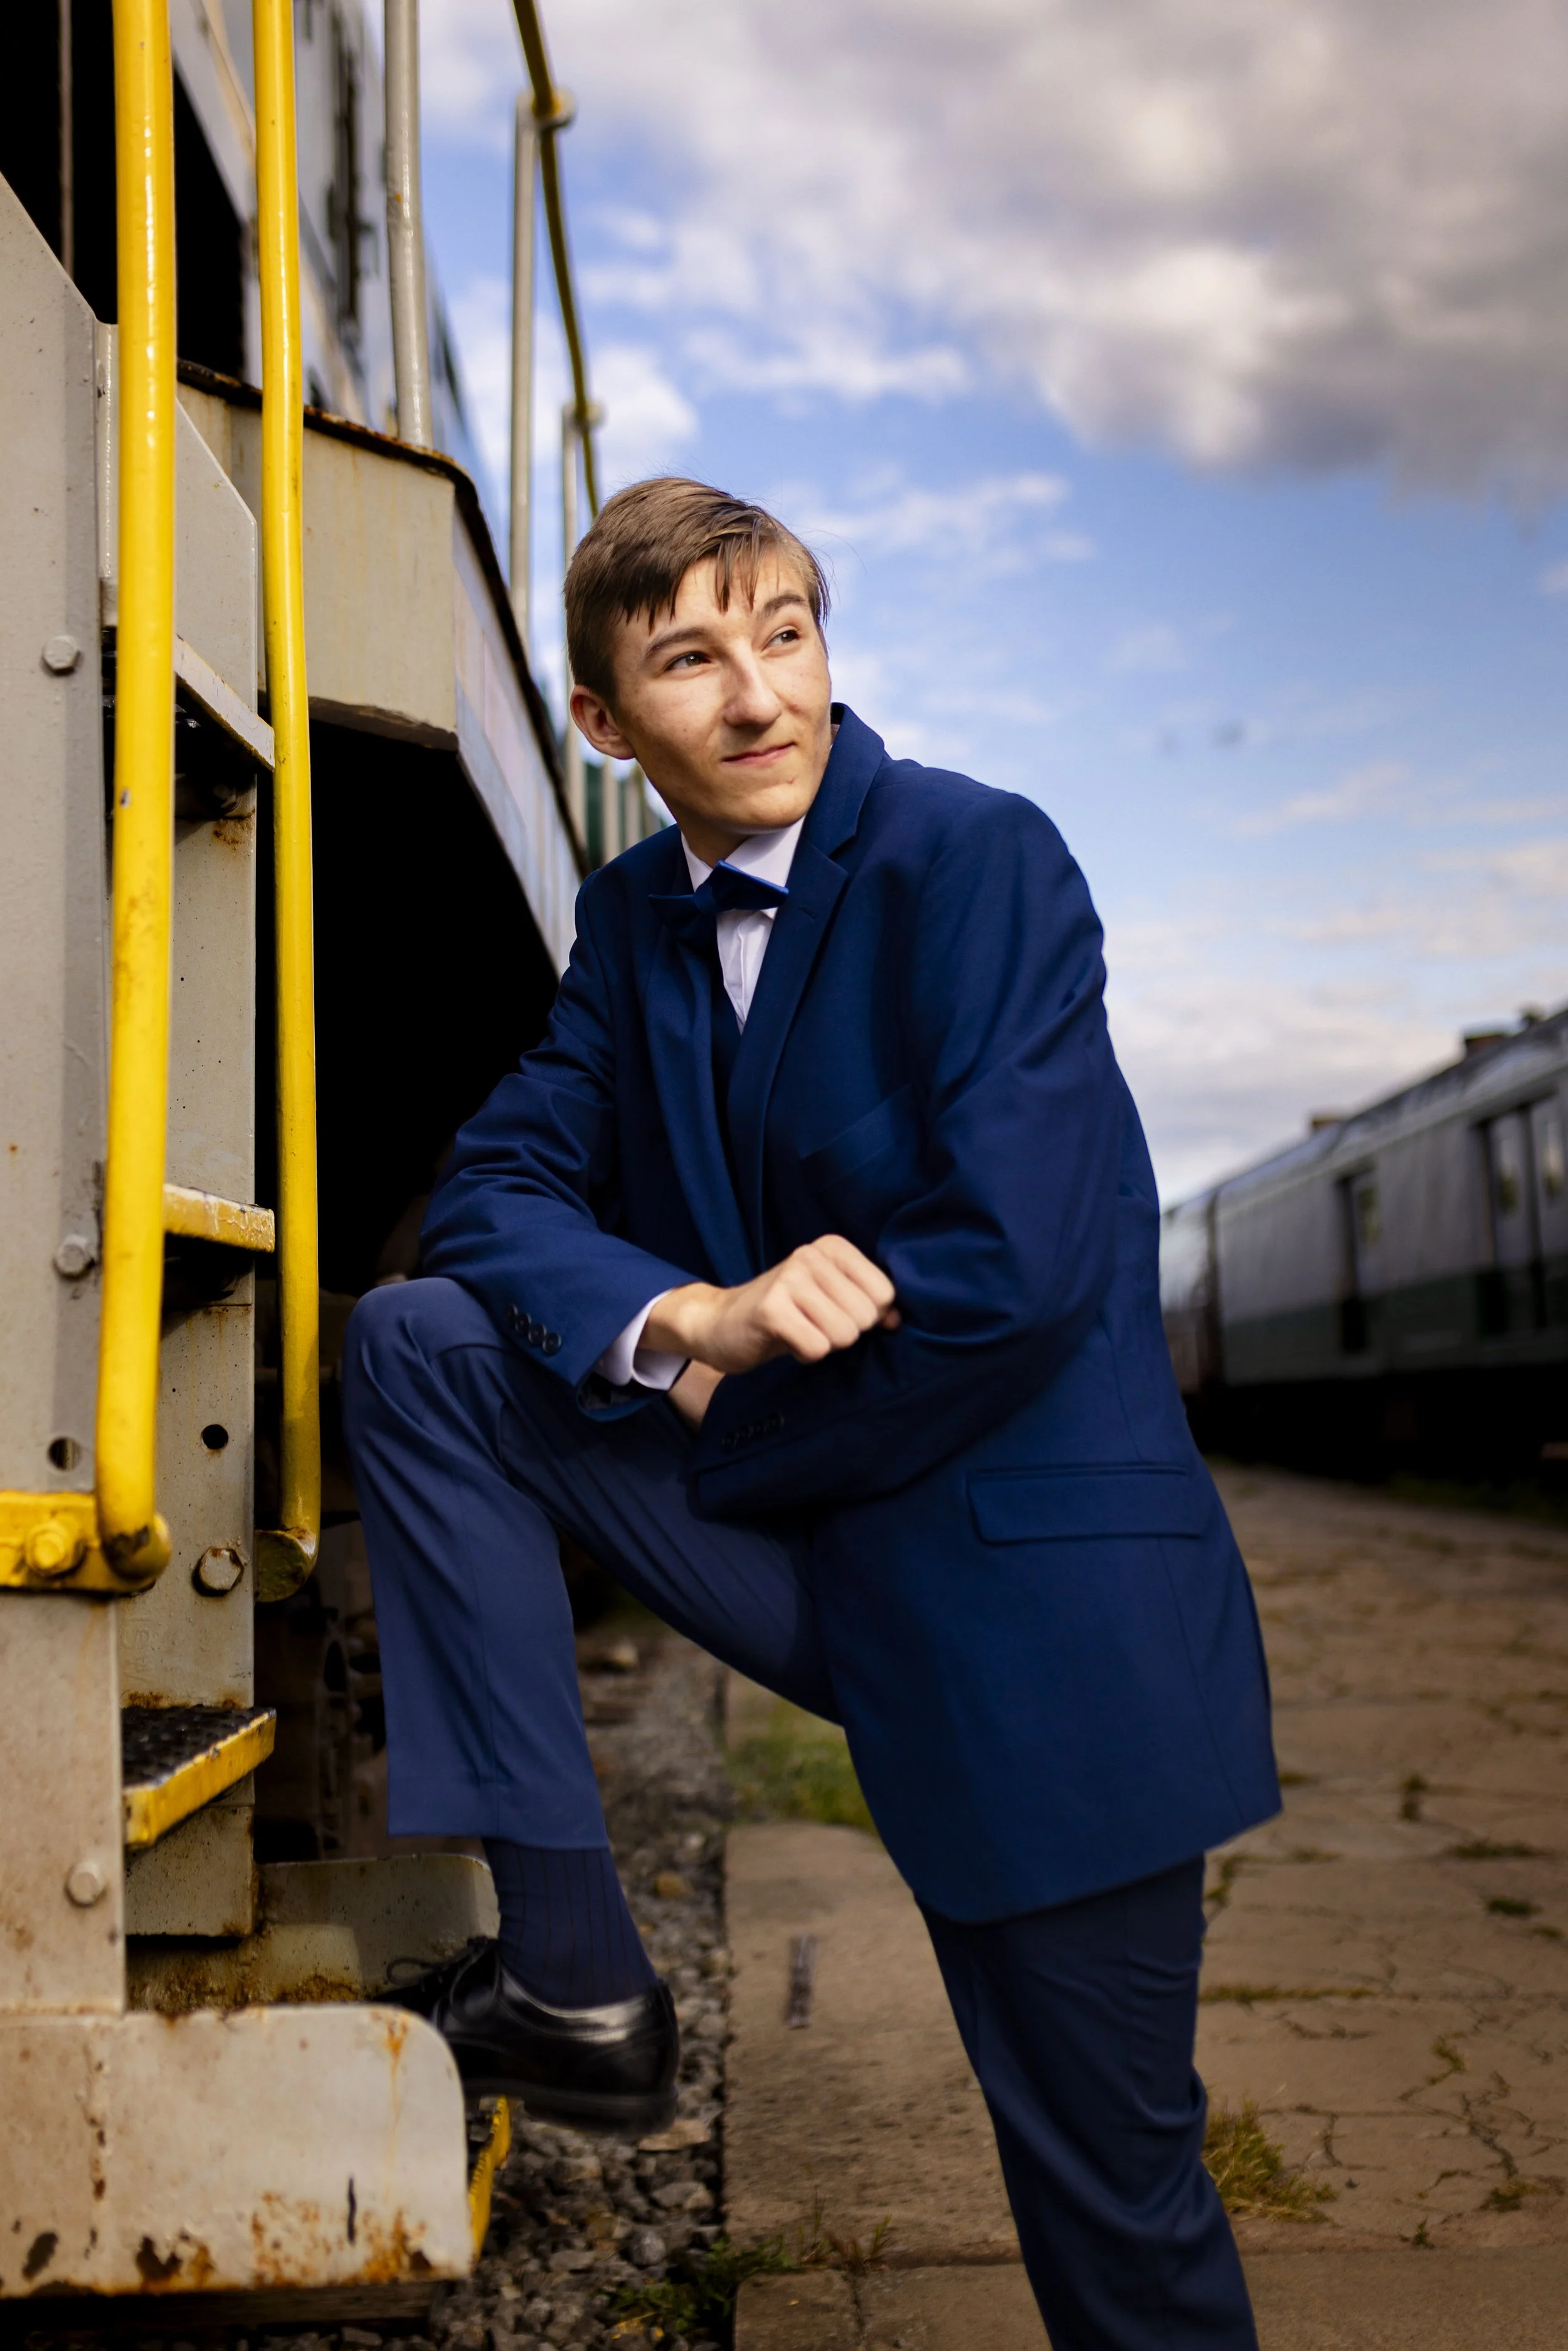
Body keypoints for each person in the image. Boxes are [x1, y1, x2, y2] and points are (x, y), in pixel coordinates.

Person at [342, 476, 1279, 2350]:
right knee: (421, 1338)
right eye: (691, 658)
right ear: (607, 724)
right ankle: (580, 1980)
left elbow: (1006, 1275)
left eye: (786, 633)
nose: (760, 695)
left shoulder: (977, 859)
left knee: (1110, 2194)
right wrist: (693, 1312)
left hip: (1034, 1612)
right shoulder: (631, 923)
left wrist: (719, 1395)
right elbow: (499, 1194)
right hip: (816, 1545)